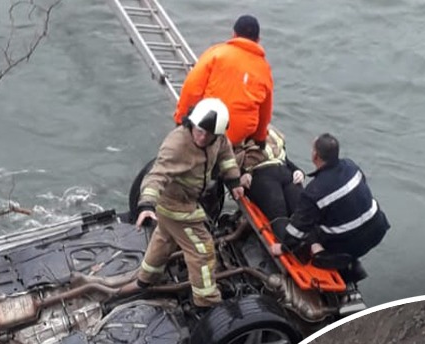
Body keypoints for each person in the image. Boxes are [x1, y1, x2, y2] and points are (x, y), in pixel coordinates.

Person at [133, 98, 245, 307]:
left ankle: (146, 278)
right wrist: (146, 204)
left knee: (164, 239)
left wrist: (233, 180)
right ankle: (207, 301)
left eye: (208, 134)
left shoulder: (218, 139)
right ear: (191, 124)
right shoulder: (177, 145)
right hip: (175, 206)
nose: (202, 138)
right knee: (202, 249)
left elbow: (226, 154)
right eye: (199, 131)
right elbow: (156, 175)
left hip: (187, 202)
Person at [273, 133, 390, 283]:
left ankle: (323, 256)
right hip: (378, 228)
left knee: (310, 228)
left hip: (349, 242)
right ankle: (352, 262)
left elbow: (298, 230)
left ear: (315, 156)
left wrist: (283, 248)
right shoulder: (351, 166)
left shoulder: (314, 191)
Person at [173, 15, 273, 148]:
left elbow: (192, 88)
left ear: (234, 34)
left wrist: (181, 120)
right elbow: (265, 110)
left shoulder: (217, 53)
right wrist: (260, 139)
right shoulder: (264, 68)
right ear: (258, 40)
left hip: (208, 128)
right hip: (238, 135)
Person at [237, 125, 305, 238]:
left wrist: (298, 171)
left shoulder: (272, 131)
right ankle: (286, 245)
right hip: (260, 173)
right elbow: (227, 160)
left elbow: (285, 158)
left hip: (285, 171)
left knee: (302, 210)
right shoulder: (238, 131)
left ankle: (314, 246)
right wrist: (241, 175)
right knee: (279, 213)